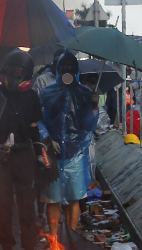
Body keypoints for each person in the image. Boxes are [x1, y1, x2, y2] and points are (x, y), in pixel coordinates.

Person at [0, 50, 45, 250]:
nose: (15, 76)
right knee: (3, 206)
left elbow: (35, 130)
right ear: (4, 72)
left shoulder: (31, 97)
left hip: (24, 155)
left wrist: (40, 154)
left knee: (26, 207)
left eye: (20, 72)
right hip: (0, 157)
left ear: (27, 76)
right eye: (11, 72)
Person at [39, 51, 99, 236]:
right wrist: (46, 137)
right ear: (57, 69)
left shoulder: (85, 93)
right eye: (63, 67)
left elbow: (89, 125)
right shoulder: (47, 93)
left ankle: (71, 240)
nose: (67, 70)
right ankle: (55, 242)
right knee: (52, 199)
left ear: (76, 69)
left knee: (74, 198)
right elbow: (39, 119)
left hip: (76, 154)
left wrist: (94, 107)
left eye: (71, 67)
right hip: (53, 153)